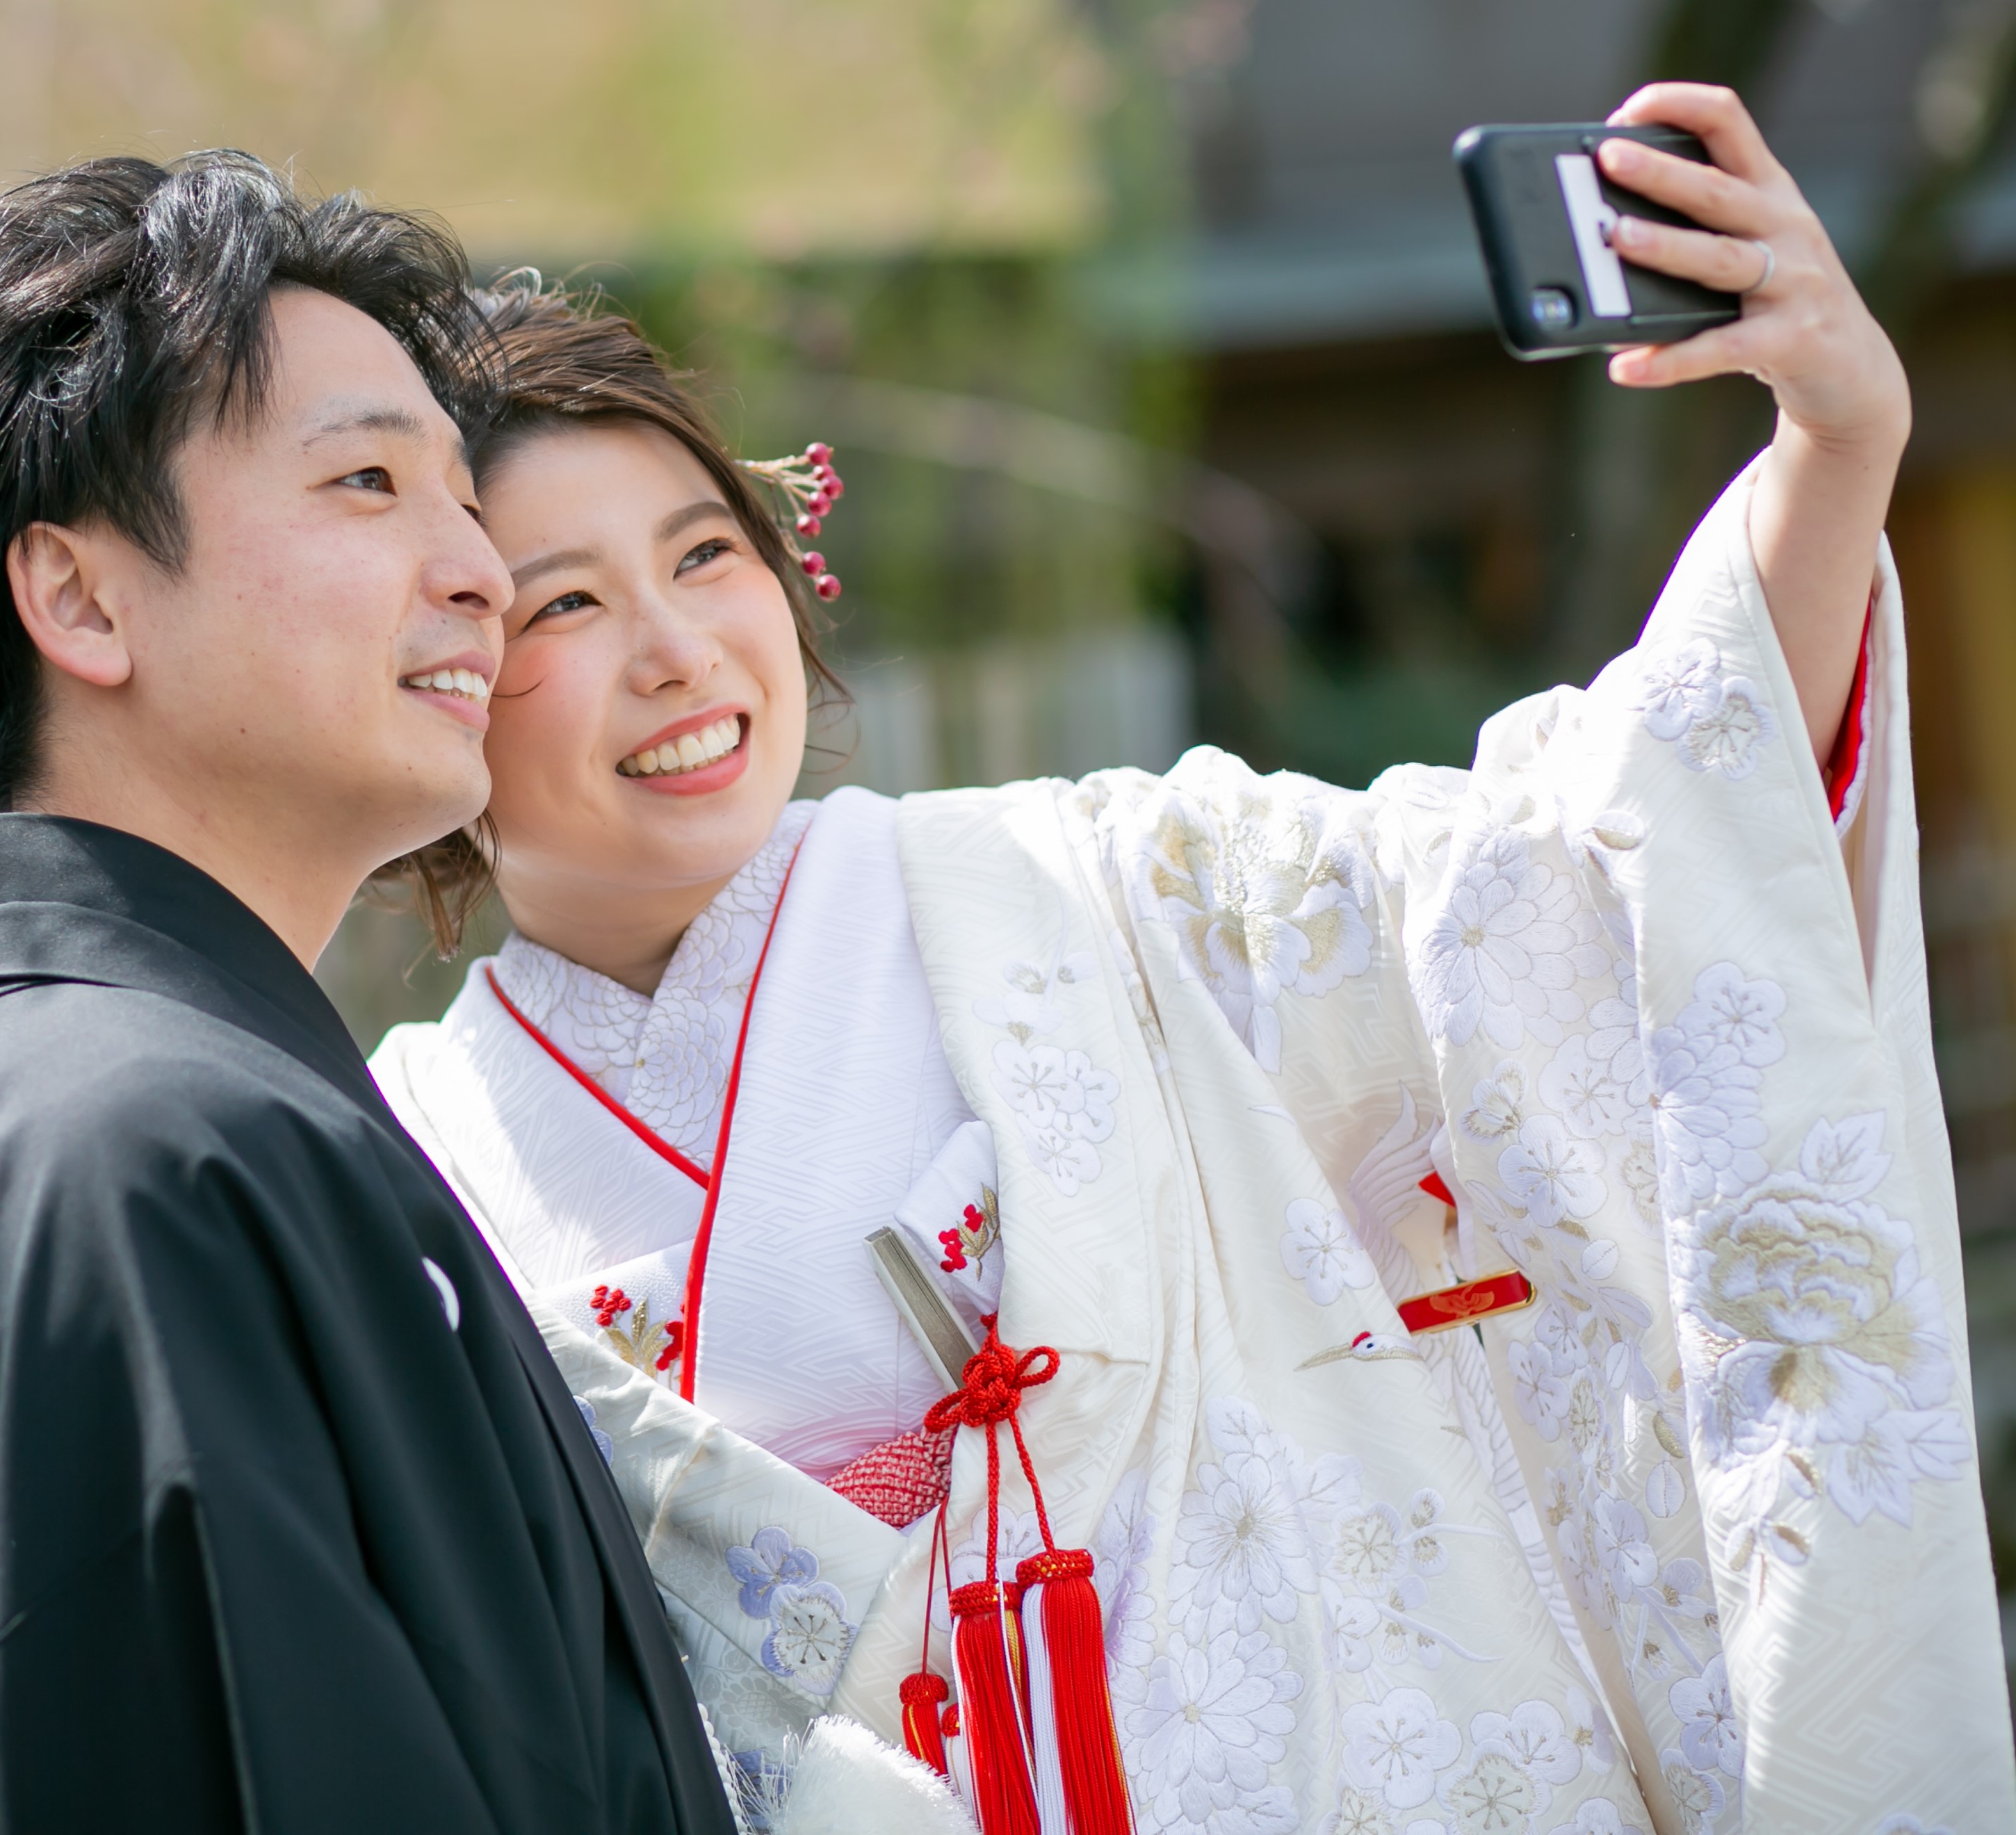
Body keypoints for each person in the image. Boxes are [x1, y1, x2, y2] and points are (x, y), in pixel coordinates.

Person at [371, 86, 2015, 1832]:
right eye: (563, 603)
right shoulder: (400, 1162)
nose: (678, 649)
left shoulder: (1095, 891)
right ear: (432, 674)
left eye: (705, 554)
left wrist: (1834, 446)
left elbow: (1584, 868)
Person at [0, 153, 738, 1834]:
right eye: (367, 483)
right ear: (80, 597)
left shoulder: (128, 1101)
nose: (480, 572)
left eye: (461, 496)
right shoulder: (143, 1148)